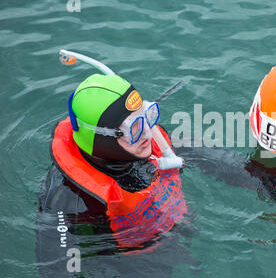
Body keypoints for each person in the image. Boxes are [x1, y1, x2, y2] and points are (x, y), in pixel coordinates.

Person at [38, 73, 187, 249]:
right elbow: (57, 269)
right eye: (133, 127)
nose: (148, 131)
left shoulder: (149, 144)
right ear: (103, 137)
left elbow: (219, 161)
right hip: (131, 265)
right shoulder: (68, 198)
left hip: (179, 231)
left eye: (147, 115)